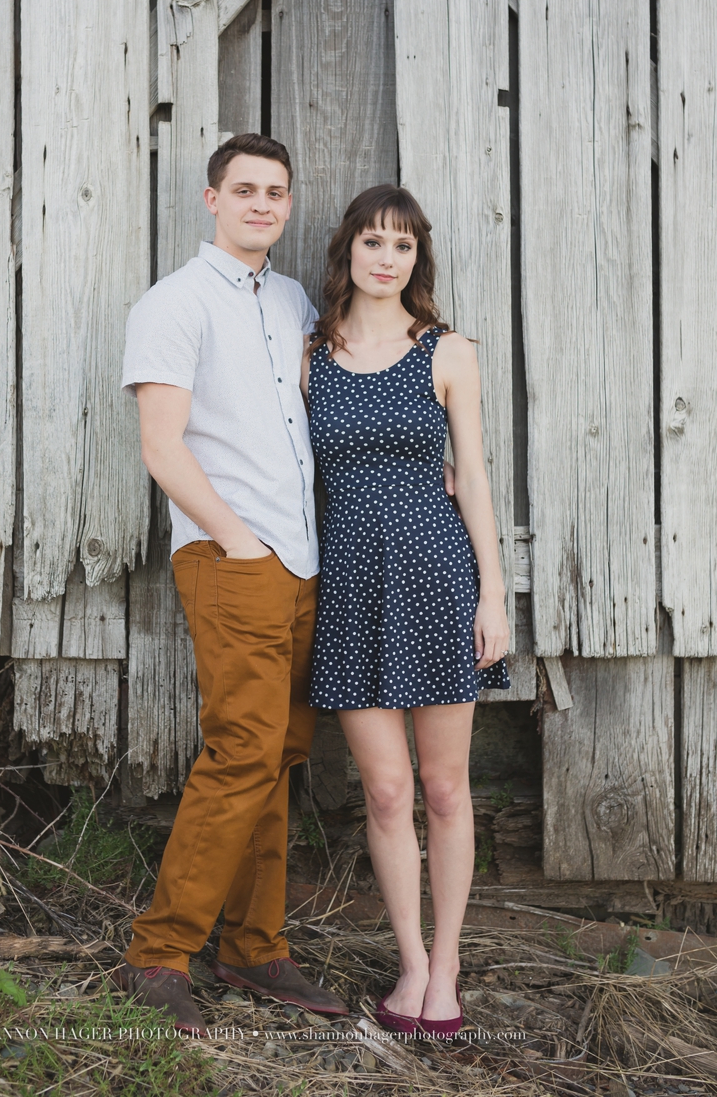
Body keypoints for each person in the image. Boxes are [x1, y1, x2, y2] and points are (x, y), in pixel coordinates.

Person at [116, 133, 349, 1036]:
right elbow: (161, 447)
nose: (262, 204)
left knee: (280, 753)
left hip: (302, 559)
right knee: (242, 751)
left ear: (288, 206)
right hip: (233, 560)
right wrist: (239, 540)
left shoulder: (289, 299)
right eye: (244, 189)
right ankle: (160, 951)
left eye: (276, 192)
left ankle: (255, 948)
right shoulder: (174, 305)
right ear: (211, 199)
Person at [302, 184, 511, 1038]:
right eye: (373, 243)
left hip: (438, 579)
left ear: (416, 260)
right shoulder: (311, 353)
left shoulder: (448, 353)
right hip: (350, 586)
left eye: (403, 246)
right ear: (347, 251)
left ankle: (450, 964)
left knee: (444, 786)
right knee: (386, 793)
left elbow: (477, 480)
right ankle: (410, 961)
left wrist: (493, 596)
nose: (386, 259)